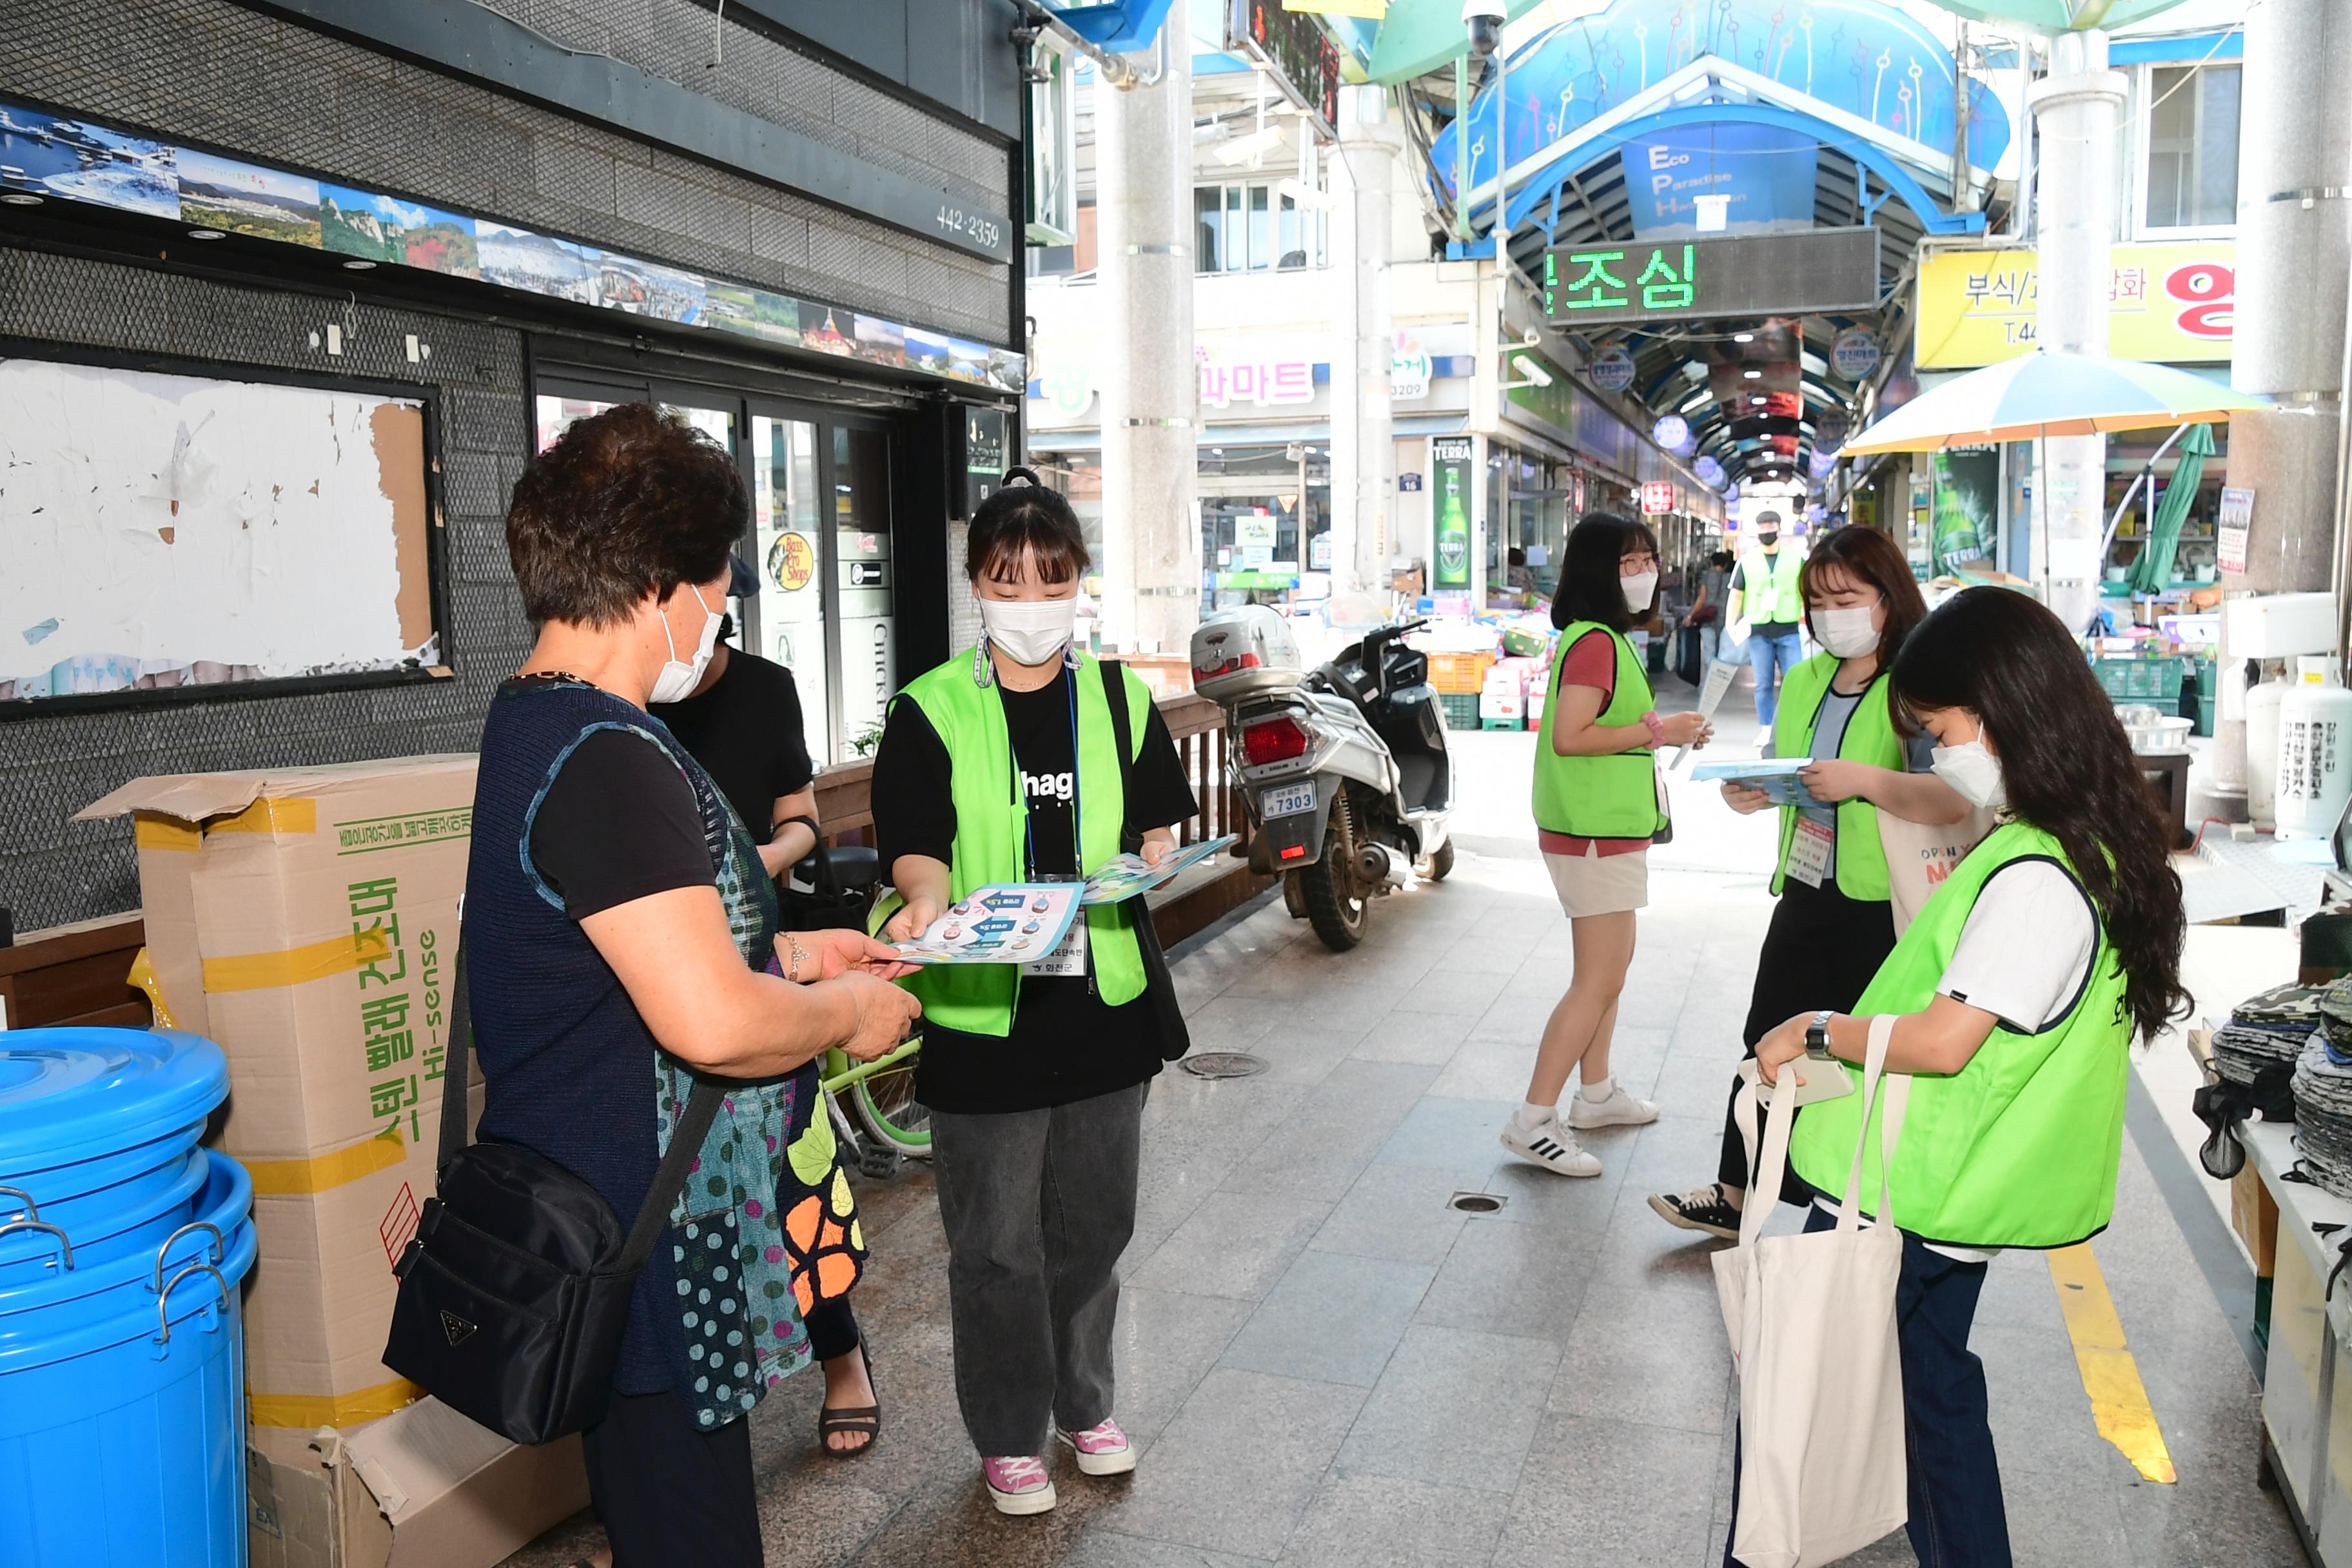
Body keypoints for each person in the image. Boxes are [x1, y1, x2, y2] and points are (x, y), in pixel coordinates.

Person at [466, 402, 921, 1567]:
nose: (720, 613)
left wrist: (796, 956)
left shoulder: (531, 721)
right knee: (691, 1535)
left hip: (598, 1212)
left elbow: (624, 967)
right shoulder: (608, 756)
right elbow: (707, 1021)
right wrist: (844, 1014)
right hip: (641, 1249)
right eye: (716, 586)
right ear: (662, 582)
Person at [1737, 586, 2188, 1568]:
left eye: (1939, 731)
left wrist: (1814, 1029)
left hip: (1912, 1184)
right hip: (1947, 1184)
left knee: (1799, 1407)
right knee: (1929, 1395)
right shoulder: (2084, 845)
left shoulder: (2038, 876)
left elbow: (1946, 1042)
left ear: (2002, 713)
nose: (1939, 755)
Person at [868, 467, 1199, 1516]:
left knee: (1093, 1227)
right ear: (978, 586)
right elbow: (915, 850)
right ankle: (1009, 1432)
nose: (1030, 601)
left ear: (1077, 584)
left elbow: (1157, 822)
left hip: (1101, 1003)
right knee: (996, 1246)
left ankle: (1084, 1402)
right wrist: (923, 899)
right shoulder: (929, 710)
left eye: (1049, 579)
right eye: (1008, 580)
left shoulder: (1117, 696)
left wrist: (1151, 852)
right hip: (985, 1014)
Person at [1648, 526, 1968, 1240]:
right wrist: (1760, 791)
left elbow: (1951, 797)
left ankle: (1848, 1202)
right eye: (1817, 600)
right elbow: (1795, 765)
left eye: (1847, 597)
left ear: (1889, 599)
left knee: (1858, 1051)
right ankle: (1736, 1192)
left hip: (1883, 902)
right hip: (1807, 883)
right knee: (1765, 1036)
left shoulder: (1918, 689)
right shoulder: (1805, 678)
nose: (1831, 613)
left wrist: (1863, 782)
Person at [650, 557, 878, 1460]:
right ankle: (706, 1399)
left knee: (795, 1180)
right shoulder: (622, 706)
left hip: (757, 953)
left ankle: (845, 1360)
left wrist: (747, 862)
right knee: (688, 1211)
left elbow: (803, 817)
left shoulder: (765, 689)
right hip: (660, 968)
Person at [1508, 512, 1712, 1177]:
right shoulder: (1595, 641)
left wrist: (1660, 727)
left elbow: (1601, 723)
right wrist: (1658, 733)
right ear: (1597, 570)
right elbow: (1573, 733)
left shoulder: (1603, 639)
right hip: (1593, 833)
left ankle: (1595, 1094)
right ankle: (1534, 1118)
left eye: (1647, 559)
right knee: (1597, 978)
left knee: (1609, 972)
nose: (1643, 572)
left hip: (1605, 829)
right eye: (1627, 562)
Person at [1726, 512, 1805, 732]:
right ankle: (1767, 728)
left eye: (1769, 527)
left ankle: (1793, 724)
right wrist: (1730, 624)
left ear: (1778, 529)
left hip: (1789, 629)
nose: (1765, 531)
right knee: (1763, 684)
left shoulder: (1796, 559)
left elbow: (1807, 591)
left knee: (1795, 681)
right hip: (1758, 631)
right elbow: (1737, 594)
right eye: (1761, 528)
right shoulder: (1747, 561)